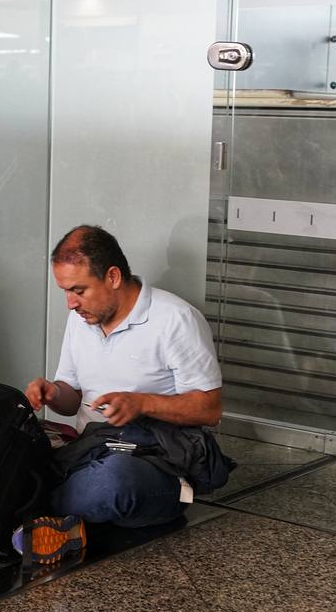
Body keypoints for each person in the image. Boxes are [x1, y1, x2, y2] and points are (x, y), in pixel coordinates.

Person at [24, 225, 223, 530]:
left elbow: (209, 409)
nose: (70, 303)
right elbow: (71, 397)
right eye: (65, 291)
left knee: (112, 481)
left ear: (113, 277)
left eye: (79, 291)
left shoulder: (176, 319)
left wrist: (141, 404)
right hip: (89, 449)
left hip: (155, 460)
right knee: (2, 446)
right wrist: (52, 392)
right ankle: (53, 511)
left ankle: (29, 509)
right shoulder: (81, 320)